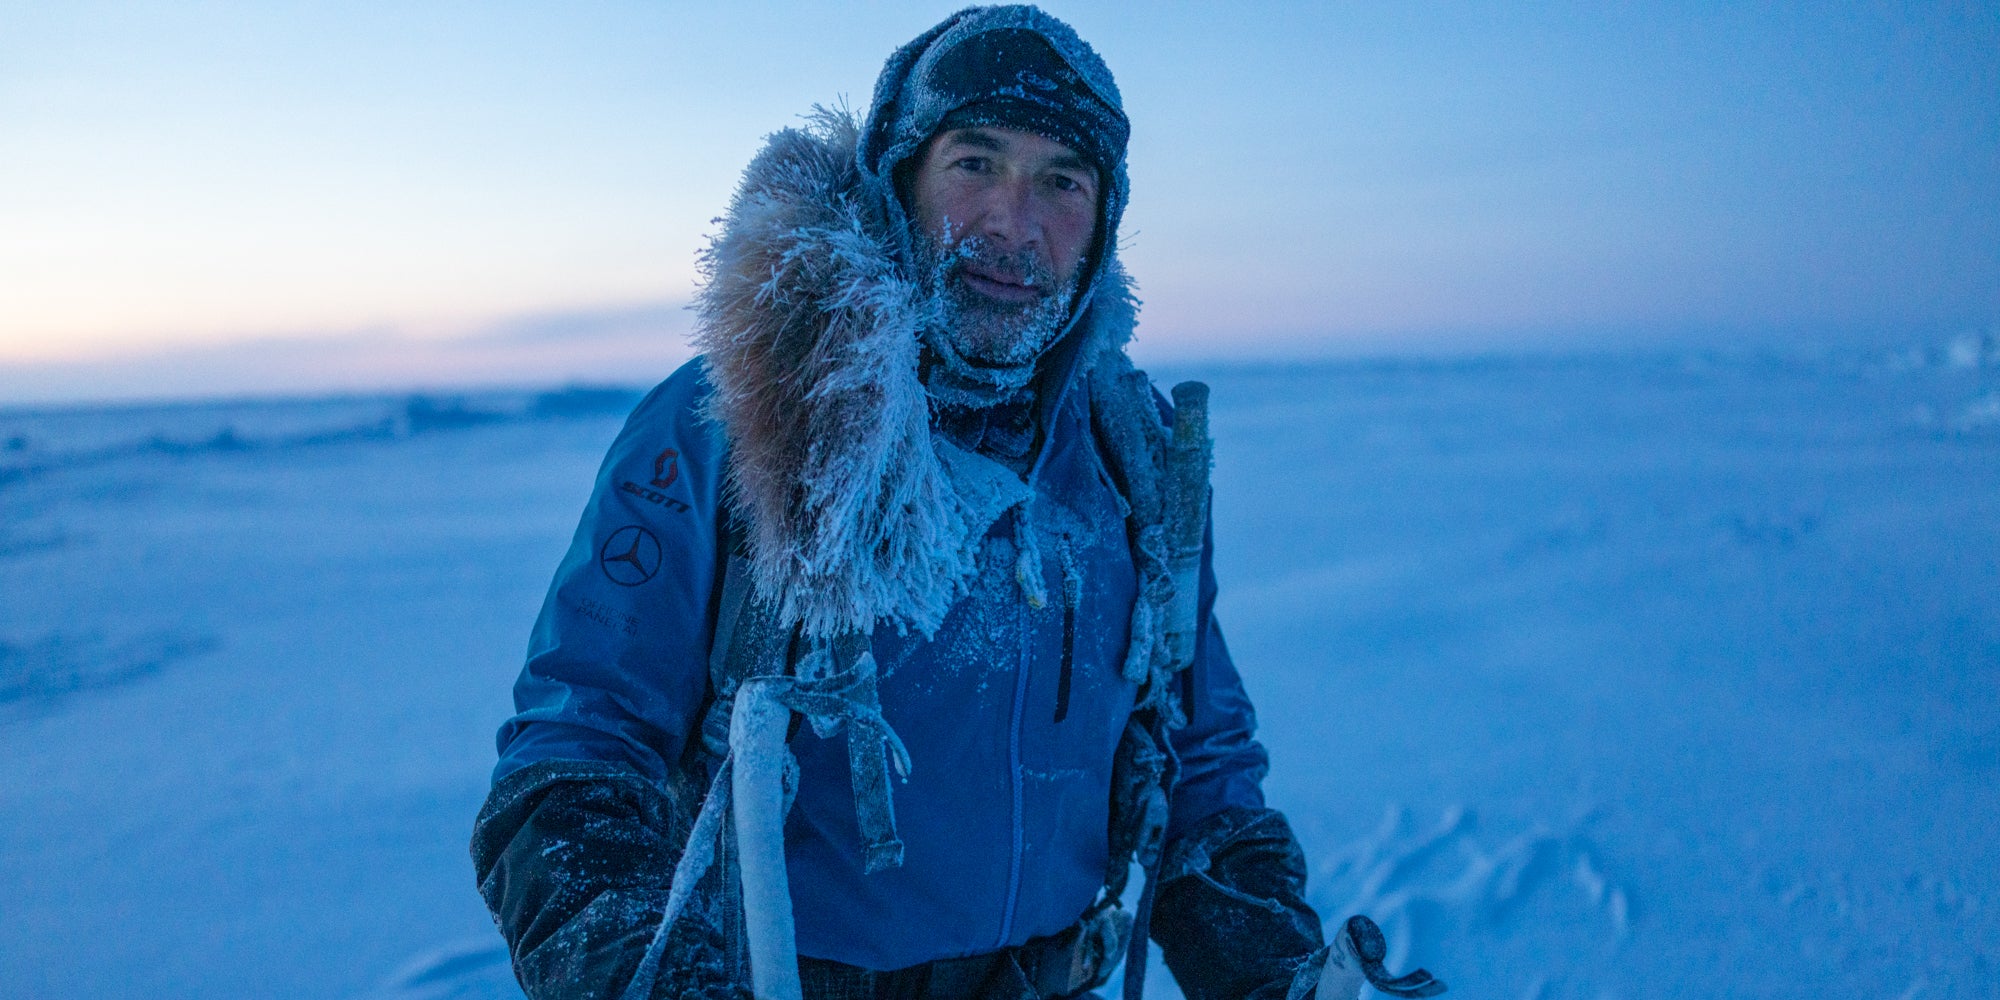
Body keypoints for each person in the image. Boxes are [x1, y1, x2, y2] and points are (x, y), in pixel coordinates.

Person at [472, 7, 1441, 1000]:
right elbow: (573, 759)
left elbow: (1195, 756)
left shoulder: (1128, 452)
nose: (1012, 226)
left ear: (1100, 224)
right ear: (898, 176)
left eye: (1060, 181)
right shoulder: (736, 417)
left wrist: (1275, 973)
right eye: (975, 163)